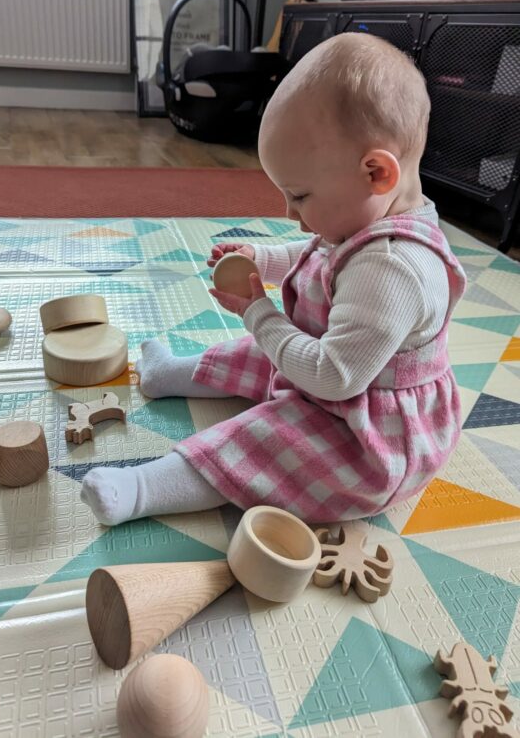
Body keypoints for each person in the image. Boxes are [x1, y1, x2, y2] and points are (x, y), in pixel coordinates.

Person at [81, 32, 467, 526]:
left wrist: (258, 313)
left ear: (377, 174)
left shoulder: (392, 268)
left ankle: (141, 489)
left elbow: (332, 378)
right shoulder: (366, 218)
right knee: (262, 352)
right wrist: (262, 258)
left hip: (370, 439)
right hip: (338, 378)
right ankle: (170, 374)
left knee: (265, 436)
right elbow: (321, 258)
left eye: (300, 196)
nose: (288, 211)